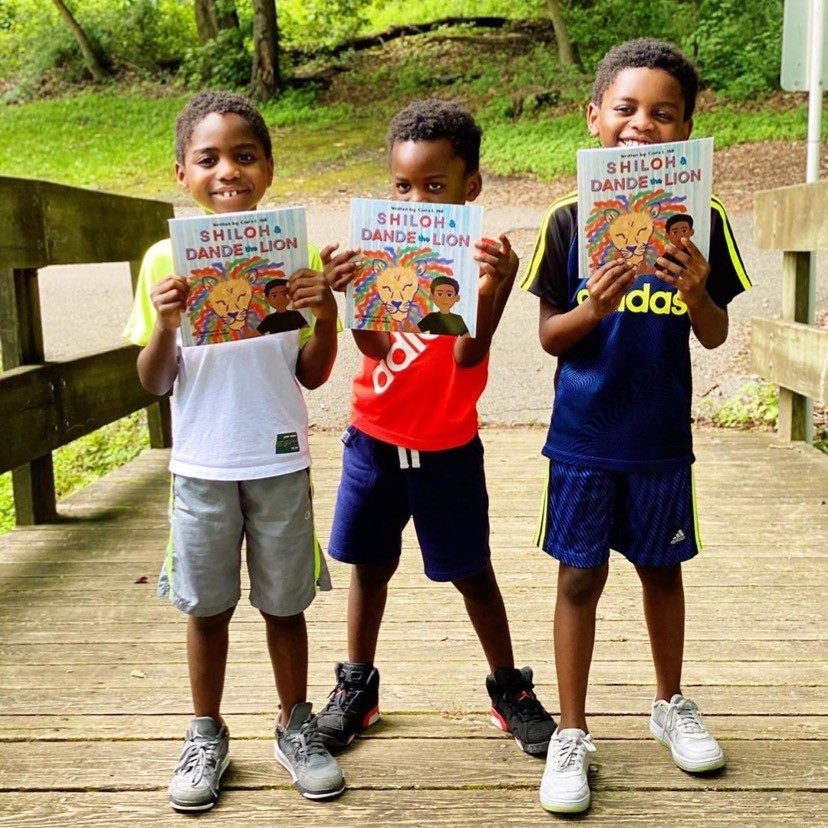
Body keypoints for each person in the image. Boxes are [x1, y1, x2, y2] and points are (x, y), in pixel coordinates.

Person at [522, 38, 752, 813]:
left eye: (663, 113)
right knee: (579, 575)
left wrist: (695, 292)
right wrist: (595, 305)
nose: (641, 124)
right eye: (625, 108)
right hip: (583, 435)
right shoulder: (567, 219)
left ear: (687, 128)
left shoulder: (704, 216)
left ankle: (669, 704)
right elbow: (551, 337)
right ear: (595, 117)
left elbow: (716, 335)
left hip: (660, 437)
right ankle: (573, 732)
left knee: (662, 569)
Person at [122, 90, 344, 811]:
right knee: (207, 607)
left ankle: (295, 723)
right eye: (208, 158)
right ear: (182, 172)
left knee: (286, 604)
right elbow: (155, 381)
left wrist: (327, 316)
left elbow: (310, 372)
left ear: (269, 167)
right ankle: (206, 731)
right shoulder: (164, 259)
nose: (228, 171)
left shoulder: (296, 250)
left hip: (279, 459)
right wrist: (163, 324)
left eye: (244, 156)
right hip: (203, 466)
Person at [317, 99, 556, 757]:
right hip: (374, 438)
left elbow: (468, 355)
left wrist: (495, 288)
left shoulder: (480, 262)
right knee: (370, 566)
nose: (417, 198)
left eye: (434, 185)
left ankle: (510, 689)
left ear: (469, 187)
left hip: (448, 447)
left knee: (472, 570)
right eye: (402, 185)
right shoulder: (381, 257)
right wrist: (348, 295)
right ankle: (356, 687)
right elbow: (369, 351)